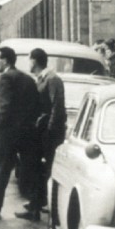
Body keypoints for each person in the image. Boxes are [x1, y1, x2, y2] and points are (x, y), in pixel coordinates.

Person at [0, 45, 41, 220]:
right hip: (28, 132)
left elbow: (4, 108)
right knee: (31, 169)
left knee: (2, 168)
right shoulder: (27, 79)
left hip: (10, 133)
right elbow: (36, 106)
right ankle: (34, 207)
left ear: (5, 60)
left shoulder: (6, 77)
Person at [30, 47, 66, 217]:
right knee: (39, 168)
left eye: (30, 60)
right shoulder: (43, 78)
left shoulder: (52, 79)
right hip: (42, 129)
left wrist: (50, 130)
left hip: (49, 132)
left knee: (49, 167)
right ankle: (37, 203)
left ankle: (45, 204)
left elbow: (56, 106)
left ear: (35, 61)